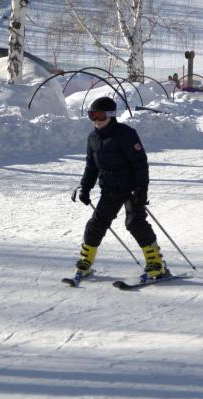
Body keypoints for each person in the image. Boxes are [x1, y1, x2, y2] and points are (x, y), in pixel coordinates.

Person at [73, 96, 168, 282]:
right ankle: (85, 261)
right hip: (110, 189)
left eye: (99, 115)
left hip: (132, 188)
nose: (95, 120)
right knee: (95, 225)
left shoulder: (125, 134)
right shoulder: (93, 138)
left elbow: (140, 163)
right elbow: (91, 166)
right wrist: (85, 188)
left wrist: (142, 189)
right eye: (92, 115)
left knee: (135, 223)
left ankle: (156, 264)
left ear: (110, 115)